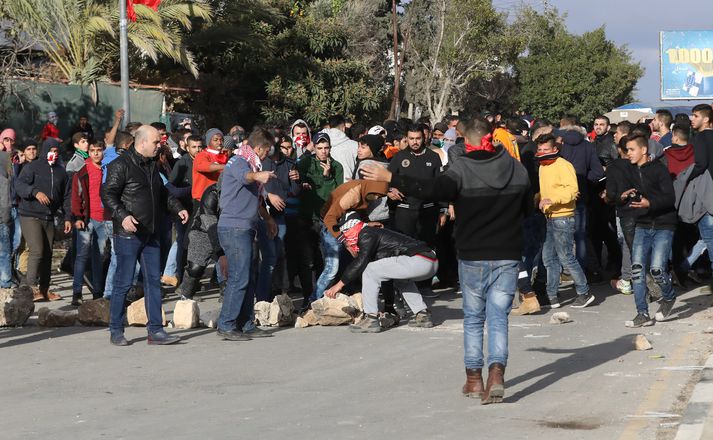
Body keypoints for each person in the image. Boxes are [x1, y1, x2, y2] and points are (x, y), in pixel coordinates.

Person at [361, 117, 531, 404]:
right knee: (498, 317)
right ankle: (497, 373)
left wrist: (391, 176)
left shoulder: (461, 168)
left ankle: (474, 379)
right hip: (507, 254)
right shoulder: (517, 169)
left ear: (467, 142)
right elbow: (527, 212)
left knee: (475, 319)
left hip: (473, 254)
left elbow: (430, 190)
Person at [101, 125, 189, 346]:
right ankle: (116, 329)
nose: (159, 145)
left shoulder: (152, 165)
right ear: (142, 143)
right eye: (156, 142)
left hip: (151, 232)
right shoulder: (120, 165)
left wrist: (177, 207)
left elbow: (162, 194)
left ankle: (156, 331)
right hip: (128, 234)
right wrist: (123, 216)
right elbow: (108, 194)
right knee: (124, 281)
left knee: (152, 281)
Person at [323, 212, 437, 332]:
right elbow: (385, 279)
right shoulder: (371, 235)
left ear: (355, 226)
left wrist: (338, 285)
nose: (344, 236)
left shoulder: (366, 233)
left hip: (419, 260)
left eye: (345, 231)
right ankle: (422, 314)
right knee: (400, 279)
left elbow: (361, 263)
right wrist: (388, 306)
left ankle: (371, 318)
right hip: (429, 260)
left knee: (369, 270)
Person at [215, 128, 277, 341]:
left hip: (245, 227)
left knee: (248, 277)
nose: (267, 155)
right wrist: (258, 175)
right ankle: (226, 324)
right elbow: (246, 177)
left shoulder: (249, 161)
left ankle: (246, 323)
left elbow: (255, 197)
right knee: (239, 277)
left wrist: (267, 219)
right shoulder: (240, 161)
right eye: (267, 150)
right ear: (259, 148)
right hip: (234, 228)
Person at [620, 134, 677, 327]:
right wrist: (624, 195)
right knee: (637, 270)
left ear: (643, 150)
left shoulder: (659, 170)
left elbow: (670, 198)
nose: (628, 154)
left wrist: (649, 202)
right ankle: (642, 313)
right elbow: (621, 193)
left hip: (663, 225)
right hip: (642, 225)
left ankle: (668, 296)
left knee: (657, 269)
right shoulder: (630, 171)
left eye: (631, 150)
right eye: (627, 150)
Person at [536, 133, 593, 308]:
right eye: (540, 150)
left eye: (546, 149)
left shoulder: (564, 165)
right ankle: (552, 296)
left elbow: (572, 191)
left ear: (555, 149)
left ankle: (584, 292)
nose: (542, 153)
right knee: (548, 258)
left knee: (566, 257)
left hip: (564, 217)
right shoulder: (542, 166)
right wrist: (538, 199)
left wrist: (553, 199)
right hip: (548, 217)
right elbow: (544, 191)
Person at [387, 124, 443, 297]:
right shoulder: (399, 157)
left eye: (418, 138)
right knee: (404, 249)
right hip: (404, 211)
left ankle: (424, 285)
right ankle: (404, 287)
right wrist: (390, 191)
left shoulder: (434, 158)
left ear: (424, 138)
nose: (415, 142)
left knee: (426, 248)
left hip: (428, 211)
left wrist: (444, 210)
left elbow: (440, 185)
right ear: (407, 138)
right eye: (411, 138)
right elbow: (387, 180)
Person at [15, 138, 72, 301]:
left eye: (56, 151)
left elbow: (67, 197)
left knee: (48, 253)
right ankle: (30, 288)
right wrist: (34, 192)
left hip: (49, 216)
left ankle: (44, 289)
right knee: (37, 250)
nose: (53, 154)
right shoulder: (32, 167)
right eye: (50, 151)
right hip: (29, 215)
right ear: (44, 151)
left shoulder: (62, 171)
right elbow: (19, 185)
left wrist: (68, 217)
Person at [71, 141, 113, 305]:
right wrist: (78, 218)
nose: (96, 153)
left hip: (104, 218)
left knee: (99, 256)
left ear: (103, 151)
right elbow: (76, 197)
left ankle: (97, 291)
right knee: (82, 256)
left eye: (99, 150)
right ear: (88, 152)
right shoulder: (82, 172)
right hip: (87, 219)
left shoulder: (108, 169)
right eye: (92, 150)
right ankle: (77, 293)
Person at [161, 134, 203, 287]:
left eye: (200, 147)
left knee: (197, 246)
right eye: (194, 147)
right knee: (183, 244)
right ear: (187, 147)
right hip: (184, 211)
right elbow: (170, 188)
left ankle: (193, 279)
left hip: (201, 210)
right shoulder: (182, 163)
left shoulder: (205, 161)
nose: (197, 150)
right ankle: (180, 277)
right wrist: (190, 191)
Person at [192, 128, 228, 207]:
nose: (219, 142)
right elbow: (203, 166)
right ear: (208, 142)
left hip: (218, 198)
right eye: (215, 140)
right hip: (202, 199)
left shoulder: (223, 156)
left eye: (221, 140)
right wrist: (225, 167)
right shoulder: (202, 155)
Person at [322, 115, 358, 183]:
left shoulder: (321, 145)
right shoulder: (355, 145)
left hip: (330, 186)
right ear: (344, 128)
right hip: (350, 185)